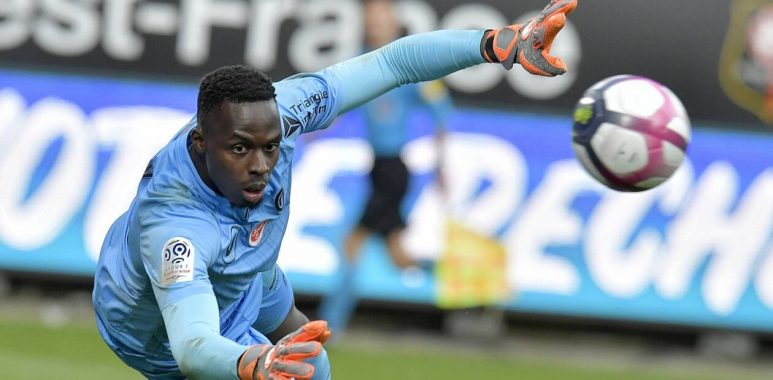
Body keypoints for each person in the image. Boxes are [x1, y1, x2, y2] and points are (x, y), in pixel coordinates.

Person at [91, 0, 578, 379]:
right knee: (281, 367)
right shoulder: (175, 227)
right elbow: (194, 345)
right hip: (153, 328)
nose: (261, 166)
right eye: (240, 151)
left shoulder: (287, 109)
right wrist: (254, 364)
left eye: (271, 147)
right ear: (200, 143)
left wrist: (500, 43)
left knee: (312, 363)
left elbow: (395, 64)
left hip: (245, 272)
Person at [317, 0, 453, 336]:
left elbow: (441, 110)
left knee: (351, 242)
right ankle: (460, 278)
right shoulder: (363, 62)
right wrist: (313, 126)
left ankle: (328, 329)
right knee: (399, 259)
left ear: (394, 23)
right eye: (370, 20)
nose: (374, 25)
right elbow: (344, 102)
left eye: (381, 19)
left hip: (393, 173)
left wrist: (441, 166)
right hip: (378, 170)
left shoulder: (409, 65)